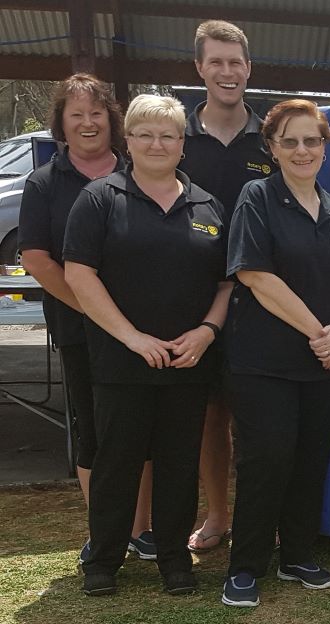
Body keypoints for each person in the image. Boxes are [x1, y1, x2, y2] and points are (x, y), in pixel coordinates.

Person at [64, 94, 231, 597]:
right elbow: (79, 274)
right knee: (118, 460)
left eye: (170, 135)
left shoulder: (206, 205)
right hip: (121, 362)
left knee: (180, 462)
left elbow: (227, 282)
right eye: (146, 134)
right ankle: (105, 559)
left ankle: (176, 560)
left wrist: (207, 331)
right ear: (129, 140)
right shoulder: (99, 198)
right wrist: (132, 337)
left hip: (188, 362)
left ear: (183, 145)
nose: (158, 144)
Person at [222, 99, 330, 608]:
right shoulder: (256, 198)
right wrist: (318, 332)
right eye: (291, 141)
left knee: (311, 460)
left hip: (328, 364)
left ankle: (297, 554)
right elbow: (255, 275)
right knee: (268, 460)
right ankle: (246, 566)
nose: (303, 150)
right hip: (267, 364)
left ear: (326, 146)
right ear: (273, 148)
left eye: (312, 140)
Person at [18, 74, 159, 566]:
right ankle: (106, 532)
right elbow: (36, 257)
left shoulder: (139, 172)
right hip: (81, 331)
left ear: (111, 120)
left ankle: (141, 531)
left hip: (143, 333)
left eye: (96, 113)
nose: (87, 123)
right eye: (76, 114)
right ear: (61, 122)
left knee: (138, 430)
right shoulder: (44, 183)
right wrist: (94, 311)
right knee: (94, 432)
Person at [180, 19, 271, 554]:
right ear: (199, 68)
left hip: (260, 298)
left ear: (248, 68)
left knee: (259, 415)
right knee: (210, 416)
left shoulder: (270, 136)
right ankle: (217, 515)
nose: (227, 72)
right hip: (194, 298)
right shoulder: (178, 135)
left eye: (235, 62)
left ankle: (266, 514)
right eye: (216, 61)